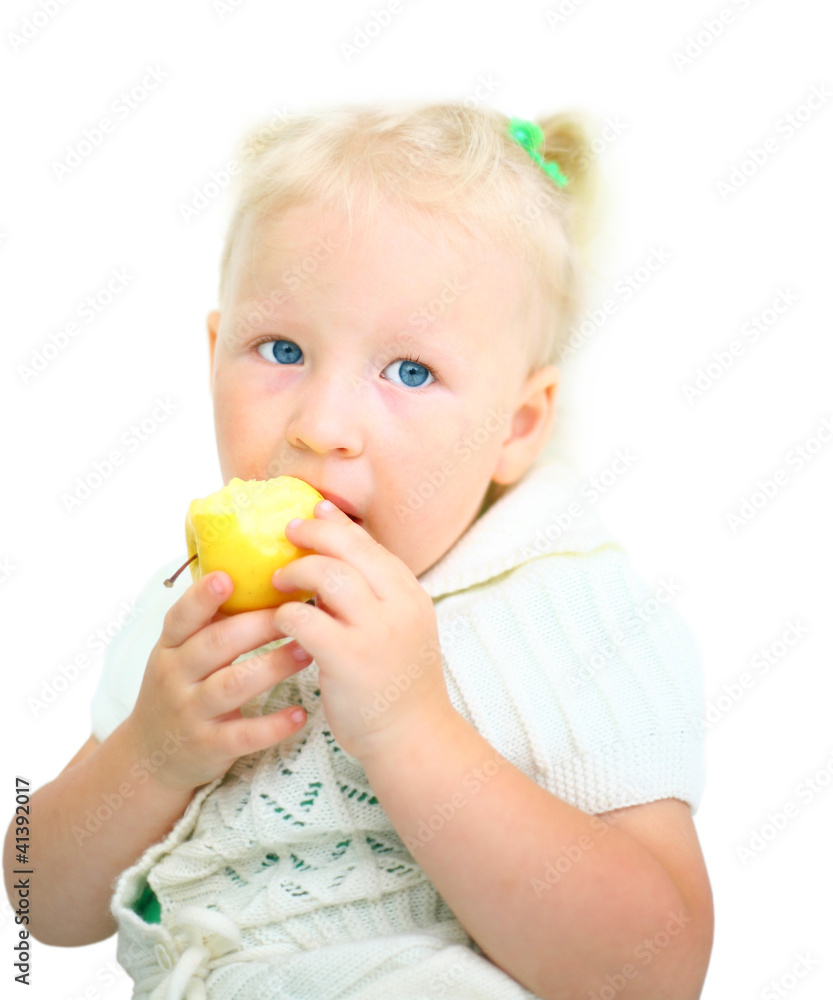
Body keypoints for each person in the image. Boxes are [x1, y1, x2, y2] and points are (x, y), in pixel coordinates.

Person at [4, 102, 714, 999]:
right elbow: (36, 898)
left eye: (409, 372)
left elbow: (656, 971)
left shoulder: (562, 610)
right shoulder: (191, 614)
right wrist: (150, 755)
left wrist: (411, 730)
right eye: (281, 349)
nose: (322, 425)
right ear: (214, 353)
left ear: (516, 425)